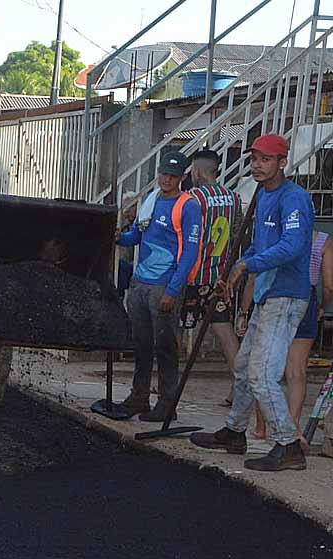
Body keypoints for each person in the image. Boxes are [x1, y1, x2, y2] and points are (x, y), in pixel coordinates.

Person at [191, 133, 315, 471]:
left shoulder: (294, 199)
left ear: (282, 162)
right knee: (245, 369)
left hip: (287, 296)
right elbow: (259, 247)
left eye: (266, 159)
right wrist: (234, 268)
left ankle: (288, 444)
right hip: (267, 295)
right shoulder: (264, 196)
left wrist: (248, 265)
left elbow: (292, 247)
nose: (258, 165)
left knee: (261, 374)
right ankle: (234, 431)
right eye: (254, 159)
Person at [116, 151, 203, 422]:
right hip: (141, 282)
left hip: (164, 285)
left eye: (173, 176)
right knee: (141, 344)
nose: (167, 179)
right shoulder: (151, 200)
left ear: (183, 177)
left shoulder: (188, 206)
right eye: (164, 174)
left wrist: (173, 290)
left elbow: (190, 251)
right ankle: (139, 396)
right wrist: (120, 238)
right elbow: (138, 236)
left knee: (165, 347)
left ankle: (167, 402)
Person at [246, 226, 333, 446]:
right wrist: (322, 306)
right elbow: (329, 285)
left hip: (276, 296)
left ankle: (261, 427)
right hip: (307, 298)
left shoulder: (277, 239)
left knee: (265, 368)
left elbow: (255, 275)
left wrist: (244, 310)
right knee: (297, 371)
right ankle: (294, 428)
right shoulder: (322, 241)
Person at [179, 149, 242, 405]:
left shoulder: (192, 198)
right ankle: (239, 388)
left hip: (193, 275)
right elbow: (238, 236)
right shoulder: (234, 199)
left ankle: (167, 386)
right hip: (219, 277)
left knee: (174, 328)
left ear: (197, 172)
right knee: (224, 330)